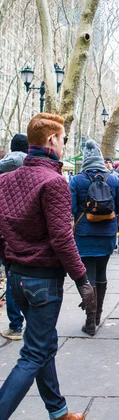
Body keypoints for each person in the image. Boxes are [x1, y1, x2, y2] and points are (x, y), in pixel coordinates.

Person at [0, 113, 95, 420]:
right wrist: (83, 280)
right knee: (34, 353)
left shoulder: (5, 179)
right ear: (52, 140)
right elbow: (61, 238)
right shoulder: (54, 182)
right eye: (64, 139)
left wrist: (10, 264)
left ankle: (58, 411)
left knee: (44, 344)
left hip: (17, 278)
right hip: (43, 281)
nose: (65, 146)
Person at [69, 141, 119, 335]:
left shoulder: (77, 180)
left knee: (87, 275)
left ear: (85, 160)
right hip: (107, 233)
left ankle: (89, 321)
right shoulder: (112, 179)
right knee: (102, 273)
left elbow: (69, 207)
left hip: (84, 234)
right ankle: (97, 316)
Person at [0, 134, 28, 341]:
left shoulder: (1, 169)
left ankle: (15, 325)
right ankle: (31, 323)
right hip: (27, 232)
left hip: (3, 234)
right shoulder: (36, 170)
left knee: (10, 277)